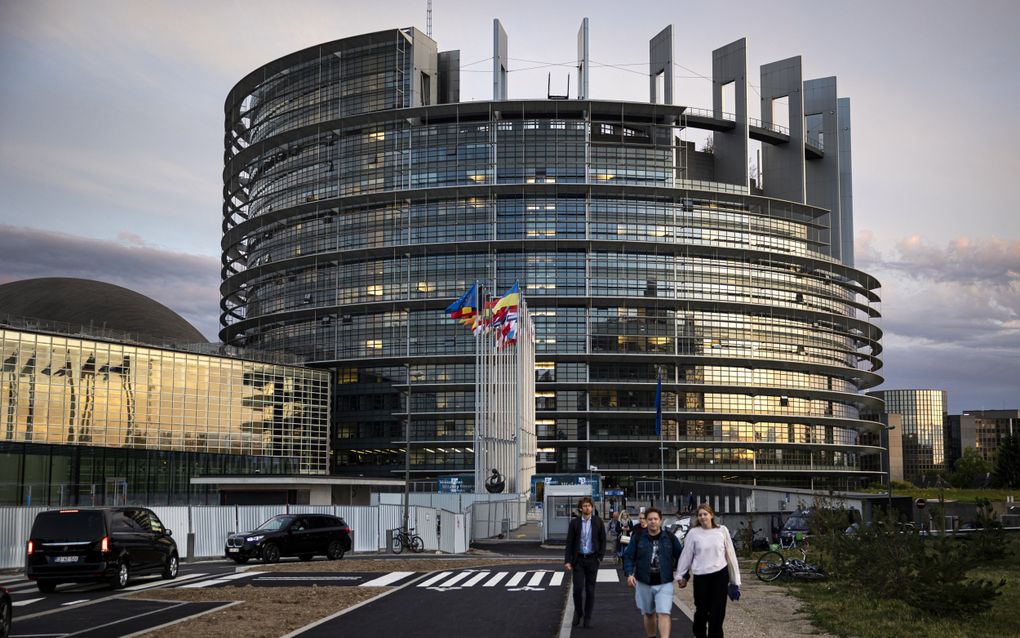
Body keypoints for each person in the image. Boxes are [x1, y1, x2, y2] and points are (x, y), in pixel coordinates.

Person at [675, 503, 741, 638]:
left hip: (720, 575)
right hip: (701, 576)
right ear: (697, 517)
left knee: (717, 612)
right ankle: (699, 635)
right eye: (700, 515)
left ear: (711, 515)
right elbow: (686, 554)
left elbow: (731, 555)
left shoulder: (722, 530)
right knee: (702, 611)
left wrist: (735, 581)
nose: (703, 517)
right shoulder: (693, 533)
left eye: (705, 514)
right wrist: (681, 575)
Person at [623, 507, 682, 638]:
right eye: (649, 519)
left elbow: (682, 556)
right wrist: (629, 573)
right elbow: (628, 556)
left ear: (660, 521)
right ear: (646, 521)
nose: (652, 522)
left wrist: (682, 575)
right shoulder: (638, 537)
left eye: (655, 519)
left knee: (664, 612)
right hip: (644, 581)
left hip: (664, 581)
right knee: (649, 613)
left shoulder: (670, 538)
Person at [564, 496, 606, 628]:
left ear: (592, 507)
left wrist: (600, 557)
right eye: (584, 506)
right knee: (577, 589)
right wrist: (567, 560)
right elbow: (569, 542)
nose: (587, 507)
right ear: (580, 508)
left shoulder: (598, 522)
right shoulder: (575, 523)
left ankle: (587, 617)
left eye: (589, 505)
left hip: (593, 559)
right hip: (579, 560)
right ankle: (579, 611)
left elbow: (603, 540)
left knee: (590, 590)